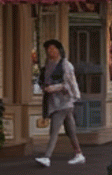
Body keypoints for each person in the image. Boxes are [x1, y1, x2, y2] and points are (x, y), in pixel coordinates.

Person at [33, 39, 85, 167]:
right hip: (53, 101)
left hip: (63, 102)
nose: (50, 51)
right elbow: (43, 80)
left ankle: (47, 157)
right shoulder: (47, 64)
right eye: (48, 49)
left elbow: (70, 83)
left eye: (52, 48)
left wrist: (57, 88)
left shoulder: (65, 65)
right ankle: (79, 154)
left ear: (59, 50)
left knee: (54, 129)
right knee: (70, 129)